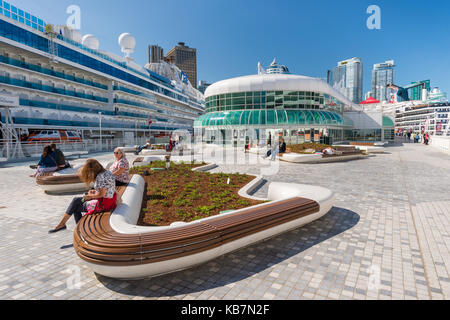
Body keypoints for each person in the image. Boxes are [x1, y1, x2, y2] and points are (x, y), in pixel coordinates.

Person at [49, 159, 117, 233]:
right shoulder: (108, 172)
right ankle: (68, 226)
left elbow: (101, 194)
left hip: (102, 205)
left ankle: (77, 229)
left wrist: (90, 196)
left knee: (75, 206)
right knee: (76, 201)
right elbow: (107, 190)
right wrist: (94, 192)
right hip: (110, 201)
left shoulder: (100, 177)